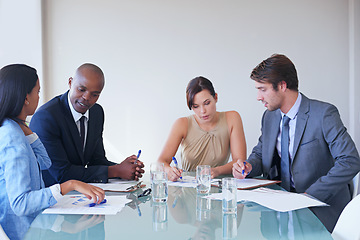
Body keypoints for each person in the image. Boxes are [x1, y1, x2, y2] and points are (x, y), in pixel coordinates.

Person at [232, 54, 360, 232]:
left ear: (282, 86)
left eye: (262, 89)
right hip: (278, 210)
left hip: (318, 211)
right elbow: (260, 155)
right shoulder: (269, 116)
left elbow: (350, 160)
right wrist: (247, 167)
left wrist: (309, 195)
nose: (258, 97)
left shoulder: (323, 114)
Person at [0, 64, 105, 231]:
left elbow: (44, 163)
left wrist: (29, 131)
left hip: (37, 225)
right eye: (38, 92)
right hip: (22, 232)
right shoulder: (12, 137)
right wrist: (69, 185)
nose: (39, 98)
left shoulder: (18, 129)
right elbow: (20, 204)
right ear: (26, 97)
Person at [30, 63, 144, 187]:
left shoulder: (96, 112)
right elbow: (62, 173)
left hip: (80, 193)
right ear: (70, 83)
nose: (86, 97)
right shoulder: (46, 117)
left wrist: (125, 168)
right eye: (81, 89)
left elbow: (97, 160)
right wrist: (116, 170)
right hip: (52, 196)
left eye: (95, 94)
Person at [158, 76, 247, 181]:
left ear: (216, 98)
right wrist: (169, 171)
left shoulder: (232, 118)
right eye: (196, 106)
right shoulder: (182, 124)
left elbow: (239, 162)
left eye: (207, 103)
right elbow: (160, 162)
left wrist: (216, 171)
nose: (202, 111)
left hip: (218, 185)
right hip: (188, 187)